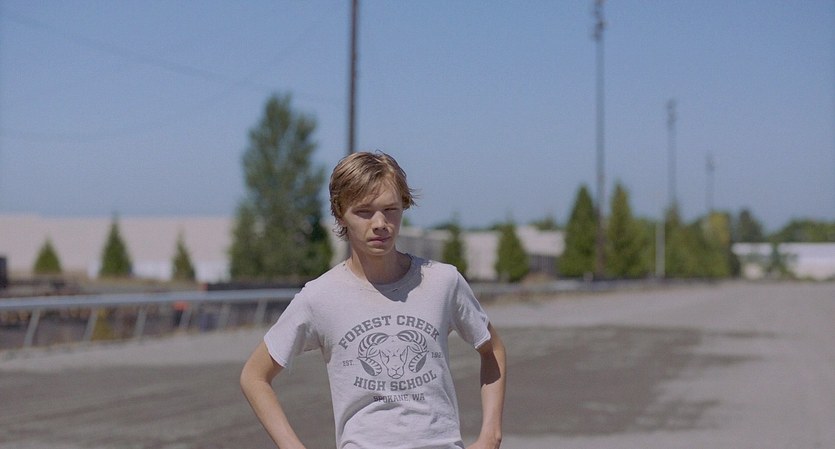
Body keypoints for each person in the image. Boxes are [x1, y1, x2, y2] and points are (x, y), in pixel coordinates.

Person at [240, 151, 506, 449]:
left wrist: (490, 435)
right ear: (340, 213)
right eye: (364, 211)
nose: (380, 223)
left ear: (404, 206)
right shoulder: (319, 296)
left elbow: (491, 348)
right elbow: (254, 376)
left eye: (390, 209)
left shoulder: (443, 281)